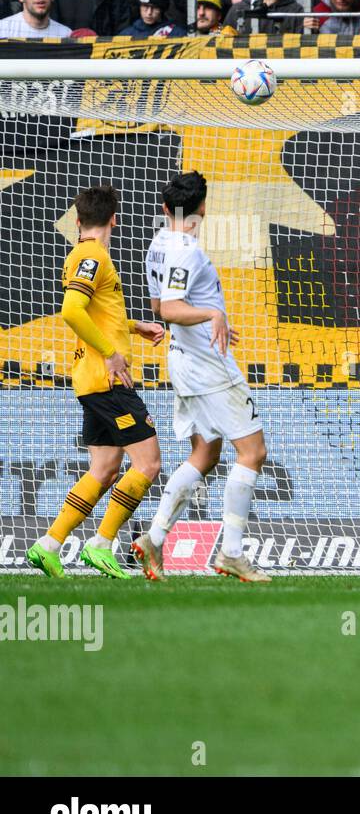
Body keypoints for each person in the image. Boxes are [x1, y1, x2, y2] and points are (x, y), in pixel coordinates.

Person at [134, 172, 271, 583]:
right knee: (253, 452)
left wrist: (202, 313)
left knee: (205, 455)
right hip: (208, 364)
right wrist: (213, 314)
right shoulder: (187, 250)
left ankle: (156, 537)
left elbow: (158, 302)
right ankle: (231, 553)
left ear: (165, 208)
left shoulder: (158, 243)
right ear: (204, 208)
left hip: (182, 357)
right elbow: (170, 309)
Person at [25, 185, 166, 580]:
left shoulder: (83, 256)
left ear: (77, 220)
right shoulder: (91, 256)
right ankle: (102, 543)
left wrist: (136, 328)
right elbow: (72, 311)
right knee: (149, 462)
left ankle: (48, 545)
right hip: (108, 380)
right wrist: (110, 352)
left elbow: (96, 312)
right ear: (114, 219)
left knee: (104, 468)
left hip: (91, 380)